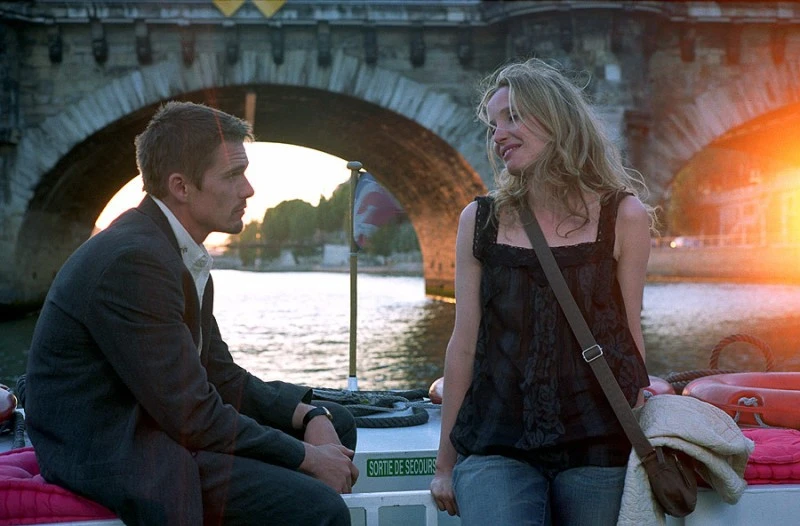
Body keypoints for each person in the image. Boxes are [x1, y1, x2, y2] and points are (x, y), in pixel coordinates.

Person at [25, 101, 359, 526]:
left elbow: (219, 374)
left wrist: (309, 413)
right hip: (117, 447)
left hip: (156, 423)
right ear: (181, 187)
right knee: (320, 509)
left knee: (337, 424)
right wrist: (307, 457)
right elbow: (192, 414)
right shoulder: (134, 262)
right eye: (233, 175)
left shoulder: (175, 252)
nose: (249, 190)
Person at [429, 58, 654, 525]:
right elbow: (464, 344)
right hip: (497, 441)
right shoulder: (481, 221)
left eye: (512, 117)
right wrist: (444, 465)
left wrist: (641, 428)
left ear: (557, 120)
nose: (498, 135)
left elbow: (630, 333)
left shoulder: (624, 216)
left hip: (597, 441)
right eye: (494, 124)